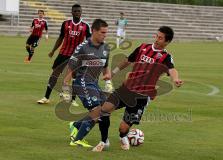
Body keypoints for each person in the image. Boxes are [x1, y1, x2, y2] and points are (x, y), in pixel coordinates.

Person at [71, 26, 183, 152]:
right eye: (156, 36)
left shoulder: (165, 57)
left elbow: (172, 70)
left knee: (123, 128)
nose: (156, 39)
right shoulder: (143, 47)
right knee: (104, 110)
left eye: (160, 38)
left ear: (167, 42)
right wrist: (112, 74)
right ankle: (104, 141)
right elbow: (127, 61)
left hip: (140, 97)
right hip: (126, 89)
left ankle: (123, 136)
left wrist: (175, 79)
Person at [63, 19, 112, 149]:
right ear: (94, 31)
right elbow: (71, 67)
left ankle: (76, 125)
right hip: (82, 82)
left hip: (94, 83)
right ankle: (77, 140)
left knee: (106, 108)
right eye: (102, 32)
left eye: (106, 32)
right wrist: (65, 86)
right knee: (96, 111)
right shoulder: (83, 47)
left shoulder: (106, 48)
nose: (105, 35)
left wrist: (108, 78)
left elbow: (105, 66)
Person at [37, 4, 91, 106]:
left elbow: (89, 41)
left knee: (75, 76)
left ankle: (73, 99)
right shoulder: (65, 24)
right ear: (71, 12)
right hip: (63, 53)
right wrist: (53, 51)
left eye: (78, 11)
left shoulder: (85, 26)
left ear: (81, 12)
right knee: (55, 73)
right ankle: (46, 97)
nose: (77, 13)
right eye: (75, 11)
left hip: (76, 55)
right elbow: (61, 37)